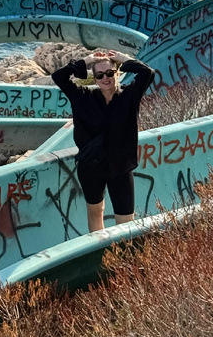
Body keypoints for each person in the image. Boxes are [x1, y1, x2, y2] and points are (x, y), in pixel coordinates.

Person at [51, 48, 157, 233]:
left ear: (117, 73)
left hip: (121, 167)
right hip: (91, 167)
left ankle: (123, 260)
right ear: (94, 78)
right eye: (99, 75)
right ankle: (100, 256)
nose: (105, 78)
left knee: (126, 223)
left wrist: (122, 58)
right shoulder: (83, 97)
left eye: (109, 73)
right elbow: (59, 77)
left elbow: (148, 72)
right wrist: (87, 60)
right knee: (95, 213)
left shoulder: (129, 96)